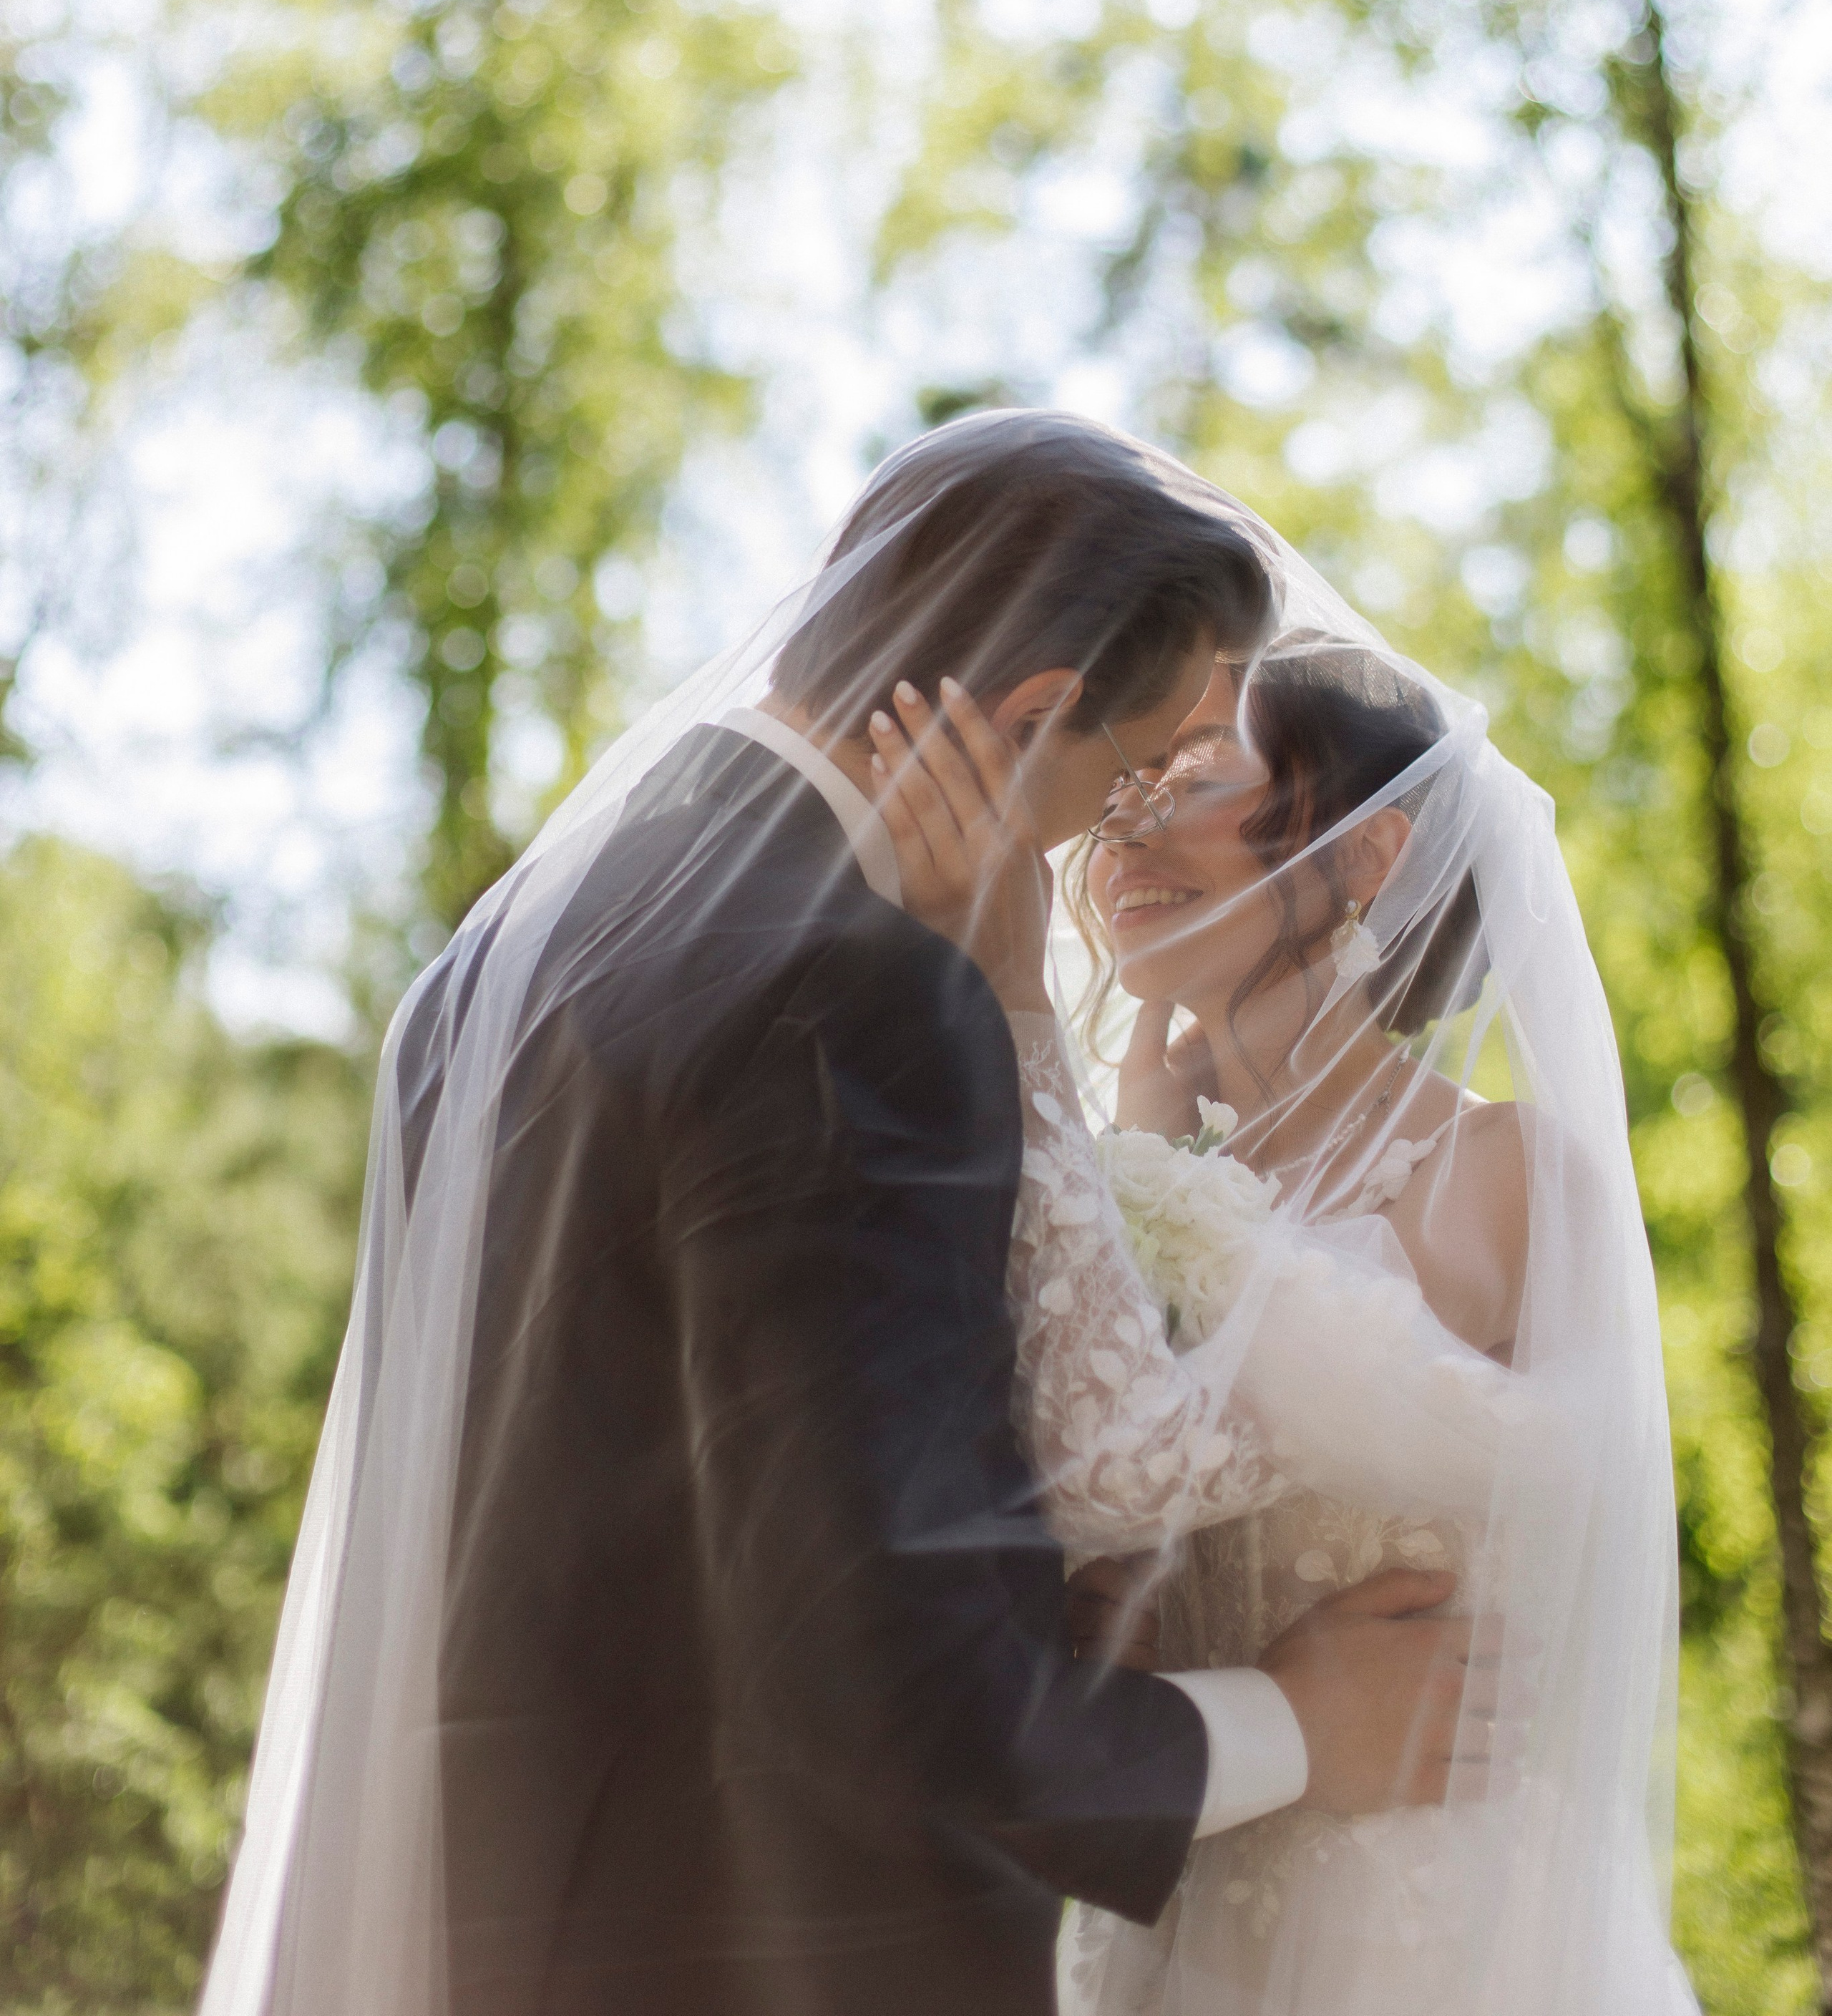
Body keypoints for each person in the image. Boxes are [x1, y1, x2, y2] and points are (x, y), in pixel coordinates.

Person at [200, 414, 1496, 2016]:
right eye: (1112, 775)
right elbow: (899, 1684)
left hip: (492, 1915)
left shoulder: (510, 951)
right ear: (1028, 715)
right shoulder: (855, 997)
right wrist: (1305, 1720)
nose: (1101, 835)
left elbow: (708, 1499)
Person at [871, 594, 1699, 2012]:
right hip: (1179, 1913)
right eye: (1122, 784)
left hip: (1428, 1935)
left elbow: (1128, 1454)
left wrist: (1020, 1005)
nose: (1121, 828)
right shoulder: (1145, 1177)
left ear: (1369, 850)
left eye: (1189, 782)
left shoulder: (1492, 1178)